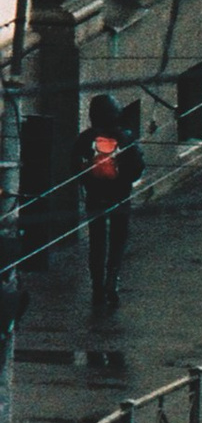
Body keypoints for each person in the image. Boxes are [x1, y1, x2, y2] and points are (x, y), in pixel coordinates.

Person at [81, 91, 139, 314]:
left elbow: (75, 165)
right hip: (120, 196)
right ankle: (111, 283)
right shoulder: (125, 137)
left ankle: (97, 286)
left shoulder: (86, 138)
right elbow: (137, 168)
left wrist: (88, 182)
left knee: (97, 242)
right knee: (118, 240)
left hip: (94, 196)